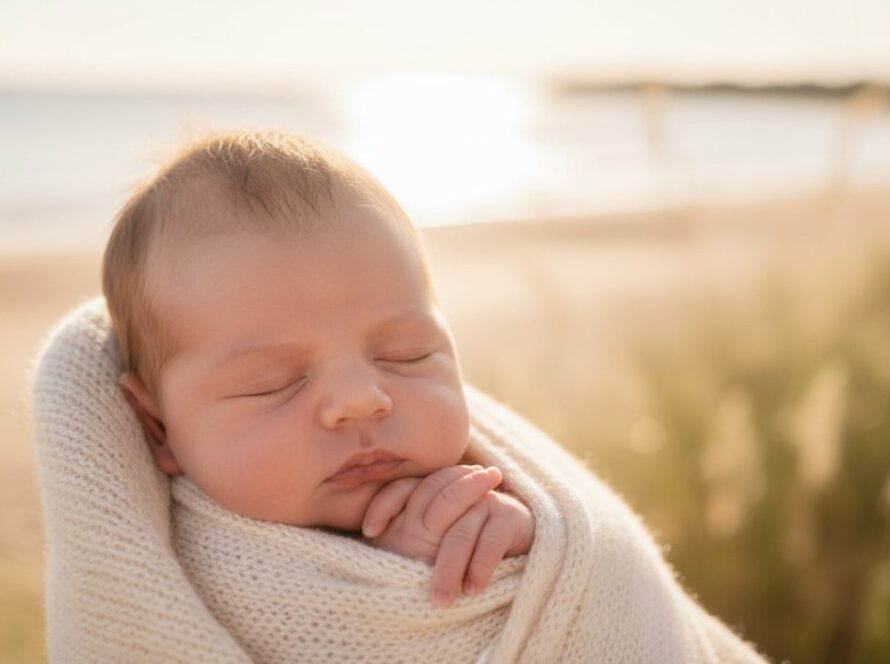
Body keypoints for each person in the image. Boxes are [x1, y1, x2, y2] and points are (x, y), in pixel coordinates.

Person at [31, 129, 768, 662]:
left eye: (406, 353)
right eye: (273, 383)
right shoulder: (167, 577)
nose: (362, 399)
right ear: (158, 428)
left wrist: (524, 553)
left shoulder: (494, 494)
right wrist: (401, 592)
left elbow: (599, 587)